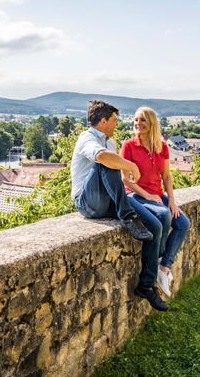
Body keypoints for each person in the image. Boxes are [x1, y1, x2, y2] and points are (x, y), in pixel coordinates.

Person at [71, 100, 168, 311]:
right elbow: (103, 158)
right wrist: (130, 164)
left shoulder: (111, 142)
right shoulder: (87, 138)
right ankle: (127, 215)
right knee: (106, 161)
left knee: (156, 225)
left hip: (111, 200)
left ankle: (147, 285)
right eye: (114, 121)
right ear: (103, 121)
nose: (116, 125)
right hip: (87, 203)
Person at [120, 107, 191, 299]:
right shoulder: (128, 146)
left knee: (183, 223)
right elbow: (125, 180)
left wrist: (173, 201)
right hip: (137, 195)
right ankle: (159, 259)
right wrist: (148, 196)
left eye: (143, 120)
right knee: (163, 215)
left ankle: (164, 266)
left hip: (158, 195)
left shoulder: (162, 146)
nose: (138, 124)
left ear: (152, 124)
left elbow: (166, 175)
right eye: (136, 120)